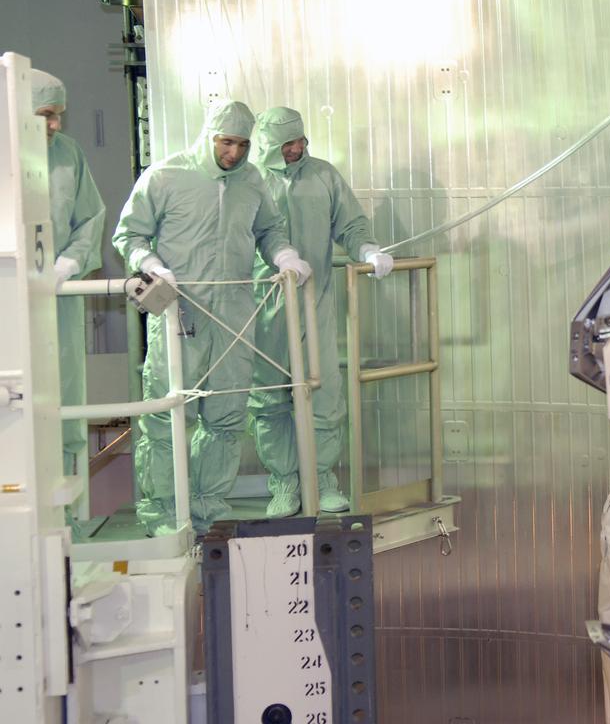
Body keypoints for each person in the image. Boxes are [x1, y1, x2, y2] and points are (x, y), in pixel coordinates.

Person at [113, 100, 312, 535]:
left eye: (243, 144)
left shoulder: (251, 180)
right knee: (167, 413)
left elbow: (268, 229)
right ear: (209, 136)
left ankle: (203, 510)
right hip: (178, 312)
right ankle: (163, 512)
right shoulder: (166, 176)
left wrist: (284, 254)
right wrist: (151, 264)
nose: (235, 154)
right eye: (227, 143)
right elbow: (129, 233)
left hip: (235, 313)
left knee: (225, 416)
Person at [248, 107, 393, 518]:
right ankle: (284, 481)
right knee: (269, 398)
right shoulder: (251, 181)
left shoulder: (323, 175)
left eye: (301, 140)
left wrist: (367, 248)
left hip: (317, 300)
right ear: (270, 146)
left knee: (324, 391)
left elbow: (350, 222)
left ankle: (323, 476)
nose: (298, 149)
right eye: (288, 143)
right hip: (264, 306)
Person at [33, 70, 106, 519]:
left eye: (59, 116)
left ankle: (70, 525)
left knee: (64, 401)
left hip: (58, 302)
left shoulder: (68, 155)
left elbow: (90, 217)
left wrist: (70, 262)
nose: (56, 125)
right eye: (46, 115)